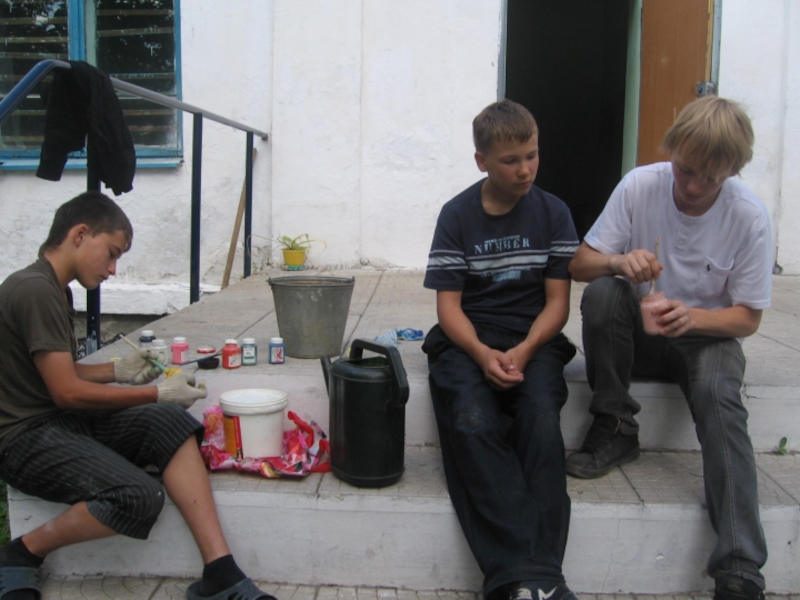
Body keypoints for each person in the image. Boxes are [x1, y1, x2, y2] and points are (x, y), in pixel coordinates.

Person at [0, 191, 273, 600]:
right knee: (138, 496)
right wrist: (155, 393)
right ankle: (20, 553)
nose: (112, 269)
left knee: (171, 424)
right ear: (79, 234)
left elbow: (59, 372)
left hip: (59, 422)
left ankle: (220, 571)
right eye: (111, 254)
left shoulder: (55, 289)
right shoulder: (34, 290)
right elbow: (66, 392)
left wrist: (119, 371)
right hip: (24, 439)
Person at [566, 96, 772, 600]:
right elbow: (580, 265)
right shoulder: (641, 184)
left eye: (711, 178)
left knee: (721, 399)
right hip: (637, 330)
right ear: (672, 149)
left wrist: (694, 317)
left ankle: (740, 567)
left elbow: (747, 317)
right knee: (604, 293)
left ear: (733, 171)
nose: (694, 186)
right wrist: (618, 262)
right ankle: (616, 426)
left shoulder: (749, 216)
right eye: (686, 169)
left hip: (706, 338)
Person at [422, 99, 580, 600]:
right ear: (482, 161)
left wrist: (528, 348)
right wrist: (479, 352)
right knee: (470, 418)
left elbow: (558, 304)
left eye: (532, 155)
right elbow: (449, 308)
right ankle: (538, 578)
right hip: (468, 339)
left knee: (540, 415)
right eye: (511, 160)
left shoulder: (554, 212)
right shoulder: (457, 215)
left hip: (534, 338)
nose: (525, 169)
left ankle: (523, 580)